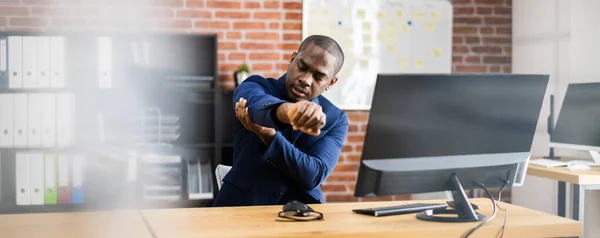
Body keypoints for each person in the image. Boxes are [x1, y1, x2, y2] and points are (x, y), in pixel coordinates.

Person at [213, 35, 349, 206]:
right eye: (302, 67)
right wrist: (289, 112)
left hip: (303, 215)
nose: (306, 80)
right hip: (242, 207)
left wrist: (270, 137)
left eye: (318, 77)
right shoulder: (255, 86)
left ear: (331, 82)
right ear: (293, 59)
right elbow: (256, 108)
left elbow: (313, 176)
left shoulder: (336, 119)